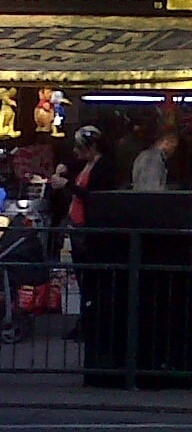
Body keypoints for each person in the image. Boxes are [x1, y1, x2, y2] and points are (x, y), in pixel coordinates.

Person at [48, 126, 117, 341]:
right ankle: (86, 323)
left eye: (80, 147)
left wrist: (68, 185)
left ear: (93, 147)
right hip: (79, 227)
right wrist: (64, 167)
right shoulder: (87, 164)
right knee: (83, 279)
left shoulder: (104, 167)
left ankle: (92, 324)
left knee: (91, 282)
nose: (76, 151)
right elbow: (73, 162)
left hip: (91, 230)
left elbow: (94, 196)